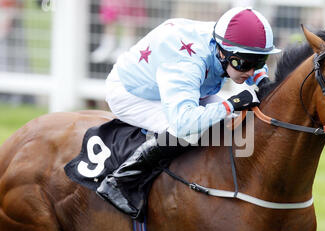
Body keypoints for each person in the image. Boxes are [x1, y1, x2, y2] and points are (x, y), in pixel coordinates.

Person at [96, 7, 281, 216]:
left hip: (188, 84)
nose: (249, 71)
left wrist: (261, 80)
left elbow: (250, 59)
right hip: (133, 93)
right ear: (221, 51)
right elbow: (183, 122)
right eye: (244, 64)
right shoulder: (187, 63)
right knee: (191, 132)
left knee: (233, 120)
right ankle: (120, 181)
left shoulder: (227, 43)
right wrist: (231, 103)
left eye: (259, 62)